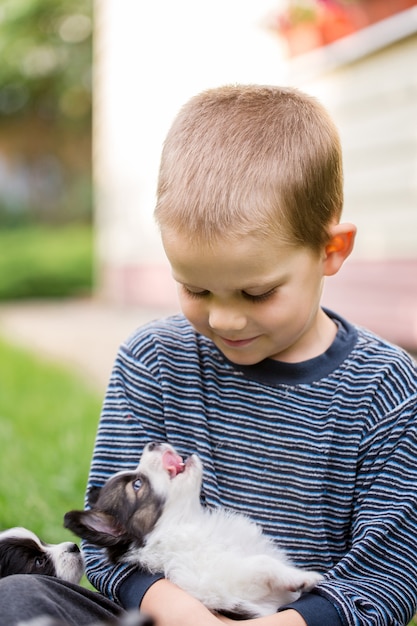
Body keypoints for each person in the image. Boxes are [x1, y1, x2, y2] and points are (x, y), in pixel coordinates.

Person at [1, 84, 417, 626]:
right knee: (17, 597)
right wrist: (186, 616)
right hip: (165, 618)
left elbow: (390, 574)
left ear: (330, 250)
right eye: (195, 290)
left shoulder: (386, 387)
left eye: (256, 293)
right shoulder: (153, 360)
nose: (222, 319)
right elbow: (112, 550)